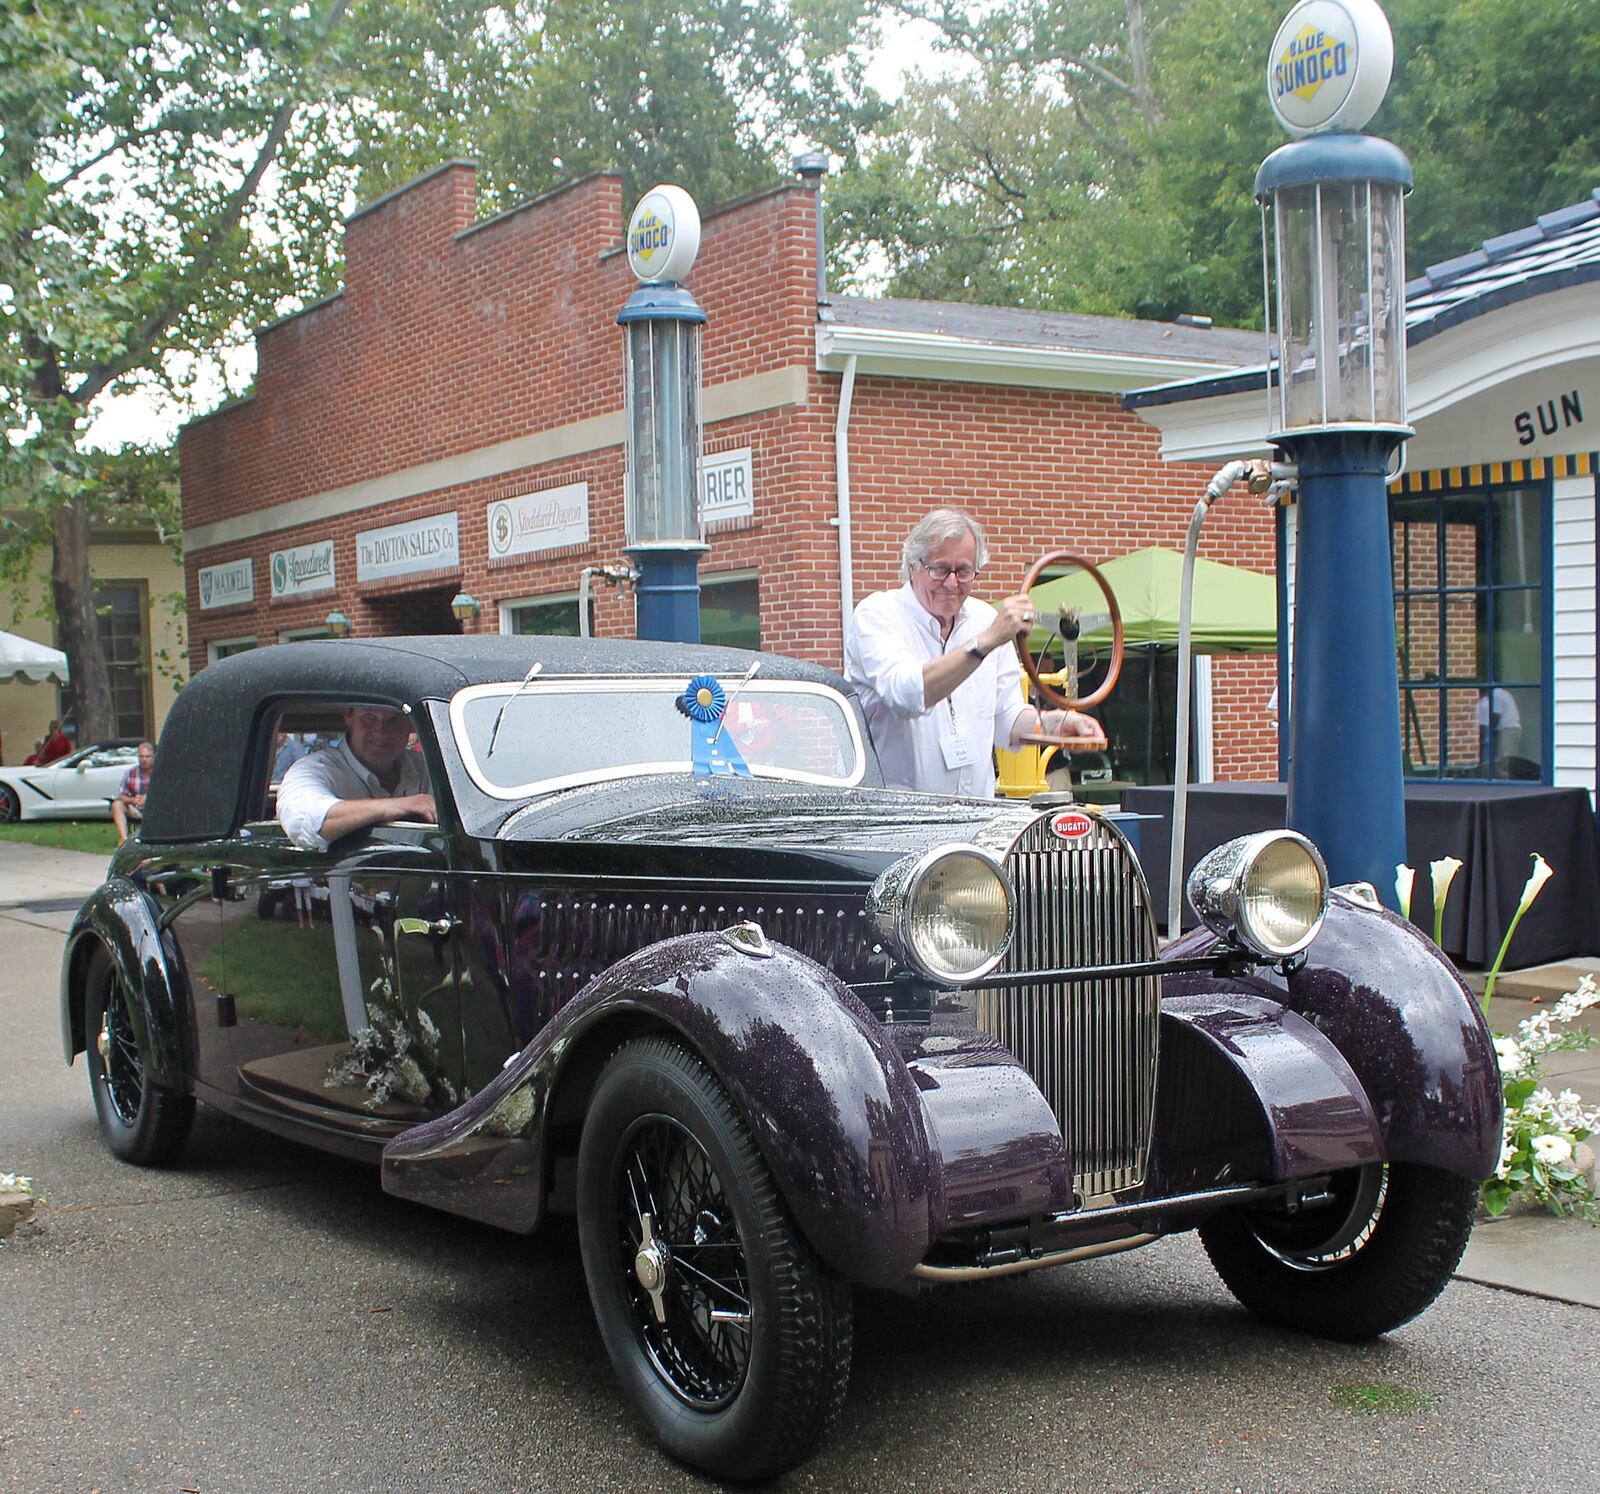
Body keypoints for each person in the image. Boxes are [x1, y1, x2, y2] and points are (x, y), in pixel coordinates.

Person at [845, 508, 1105, 797]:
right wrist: (985, 643)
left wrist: (1059, 723)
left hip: (975, 817)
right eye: (940, 569)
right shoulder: (877, 615)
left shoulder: (983, 618)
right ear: (912, 566)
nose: (952, 583)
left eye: (964, 571)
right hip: (900, 823)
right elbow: (909, 692)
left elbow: (1007, 717)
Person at [276, 705, 436, 850]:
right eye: (369, 717)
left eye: (394, 719)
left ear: (410, 724)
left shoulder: (430, 769)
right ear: (348, 716)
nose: (381, 731)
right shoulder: (314, 768)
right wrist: (403, 806)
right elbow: (305, 821)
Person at [111, 741, 155, 845]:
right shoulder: (130, 773)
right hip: (135, 808)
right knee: (117, 804)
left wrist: (148, 799)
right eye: (141, 756)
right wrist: (133, 800)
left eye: (147, 757)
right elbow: (122, 795)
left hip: (154, 810)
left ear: (153, 757)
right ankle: (124, 839)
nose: (144, 760)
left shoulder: (159, 773)